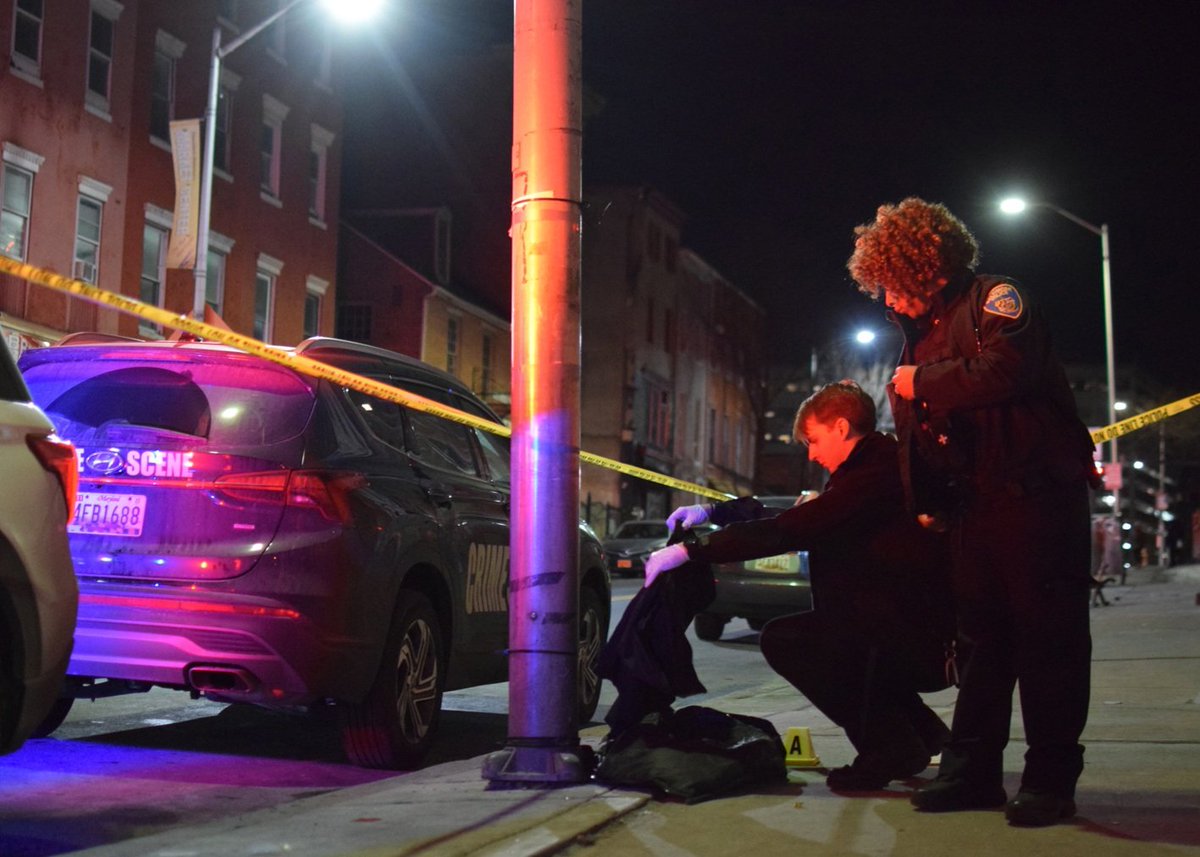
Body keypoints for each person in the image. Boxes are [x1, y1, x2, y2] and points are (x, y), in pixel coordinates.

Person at [847, 197, 1099, 826]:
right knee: (981, 647)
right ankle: (973, 772)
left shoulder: (997, 300)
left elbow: (1004, 371)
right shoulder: (922, 333)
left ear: (920, 264)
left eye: (887, 284)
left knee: (1049, 645)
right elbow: (918, 438)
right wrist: (927, 507)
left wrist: (918, 383)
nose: (884, 300)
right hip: (975, 512)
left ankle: (1049, 780)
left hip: (1037, 504)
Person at [643, 381, 955, 791]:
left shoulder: (872, 477)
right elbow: (799, 510)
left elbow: (789, 529)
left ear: (841, 427)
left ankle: (890, 747)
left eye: (813, 439)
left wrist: (690, 551)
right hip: (906, 624)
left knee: (792, 641)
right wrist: (713, 512)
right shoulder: (872, 467)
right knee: (835, 637)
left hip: (917, 636)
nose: (811, 453)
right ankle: (923, 734)